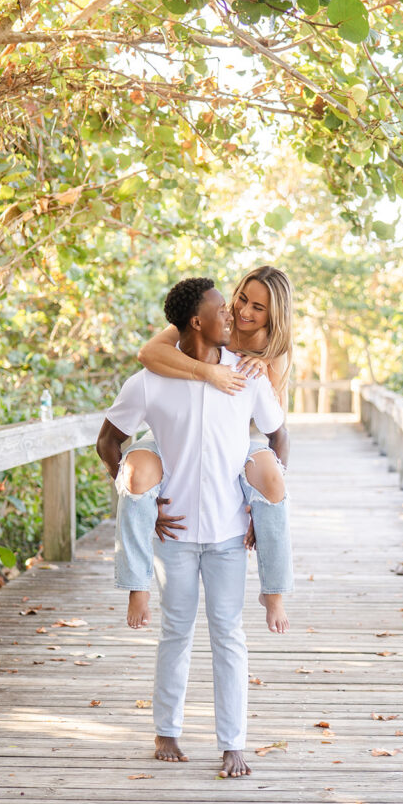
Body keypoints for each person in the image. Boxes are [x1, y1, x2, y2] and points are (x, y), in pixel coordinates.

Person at [96, 278, 289, 777]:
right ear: (196, 322)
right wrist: (144, 505)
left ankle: (233, 744)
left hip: (228, 534)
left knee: (229, 636)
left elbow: (276, 435)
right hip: (174, 538)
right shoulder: (149, 380)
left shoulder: (249, 374)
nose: (233, 317)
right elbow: (108, 444)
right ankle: (167, 732)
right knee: (175, 634)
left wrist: (259, 501)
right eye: (222, 310)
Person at [138, 265, 294, 632]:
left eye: (258, 308)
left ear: (274, 315)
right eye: (243, 298)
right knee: (137, 470)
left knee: (272, 480)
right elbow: (149, 353)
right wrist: (211, 373)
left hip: (238, 440)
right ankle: (135, 584)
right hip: (183, 429)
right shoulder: (211, 317)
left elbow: (277, 430)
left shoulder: (273, 352)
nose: (243, 311)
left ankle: (274, 593)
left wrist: (263, 506)